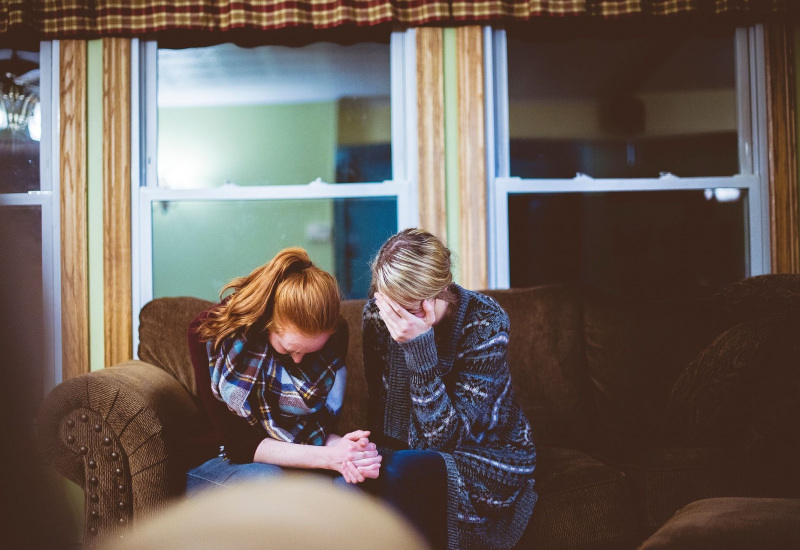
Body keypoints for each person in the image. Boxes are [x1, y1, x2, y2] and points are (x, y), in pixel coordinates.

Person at [361, 228, 537, 550]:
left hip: (487, 452)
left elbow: (444, 440)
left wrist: (419, 347)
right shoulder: (377, 315)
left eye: (409, 309)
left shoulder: (485, 322)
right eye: (391, 307)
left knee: (404, 470)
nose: (397, 320)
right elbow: (383, 413)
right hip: (410, 451)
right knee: (363, 474)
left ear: (441, 290)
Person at [186, 247, 381, 492]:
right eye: (289, 350)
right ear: (266, 322)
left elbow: (318, 431)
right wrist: (330, 458)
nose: (299, 361)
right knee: (269, 481)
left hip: (295, 458)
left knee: (352, 486)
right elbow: (238, 444)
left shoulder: (335, 337)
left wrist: (350, 450)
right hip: (221, 458)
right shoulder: (209, 335)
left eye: (309, 352)